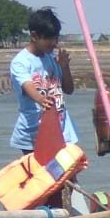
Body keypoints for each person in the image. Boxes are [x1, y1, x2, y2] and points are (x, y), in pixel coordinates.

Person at [10, 8, 76, 152]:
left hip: (61, 130)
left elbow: (69, 90)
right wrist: (41, 99)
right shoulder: (21, 62)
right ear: (34, 36)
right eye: (49, 39)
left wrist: (65, 67)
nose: (54, 43)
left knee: (69, 173)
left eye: (56, 38)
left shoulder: (51, 57)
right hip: (33, 133)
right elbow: (27, 85)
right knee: (40, 174)